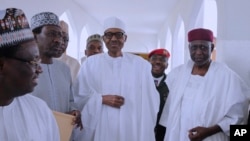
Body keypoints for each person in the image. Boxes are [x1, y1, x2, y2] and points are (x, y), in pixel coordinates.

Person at [74, 16, 159, 141]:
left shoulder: (140, 65)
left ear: (125, 38)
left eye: (119, 35)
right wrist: (101, 99)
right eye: (109, 35)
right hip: (101, 125)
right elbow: (79, 96)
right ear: (104, 39)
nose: (114, 39)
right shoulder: (90, 64)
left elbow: (151, 101)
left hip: (130, 126)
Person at [159, 28, 250, 141]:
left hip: (211, 136)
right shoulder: (177, 74)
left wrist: (210, 131)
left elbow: (237, 114)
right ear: (189, 48)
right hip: (178, 136)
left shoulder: (226, 76)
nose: (198, 52)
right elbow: (169, 111)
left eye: (203, 47)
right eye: (194, 47)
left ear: (211, 48)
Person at [0, 8, 59, 140]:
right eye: (33, 61)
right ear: (2, 65)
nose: (40, 69)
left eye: (38, 60)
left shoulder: (40, 110)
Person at [30, 12, 82, 130]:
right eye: (51, 34)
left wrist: (74, 111)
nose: (58, 40)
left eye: (60, 35)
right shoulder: (24, 69)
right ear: (34, 37)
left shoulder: (64, 69)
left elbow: (71, 100)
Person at [148, 48, 170, 141]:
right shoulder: (140, 81)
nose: (158, 62)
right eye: (154, 59)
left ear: (167, 65)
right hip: (143, 126)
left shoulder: (172, 83)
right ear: (148, 62)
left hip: (163, 131)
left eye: (162, 60)